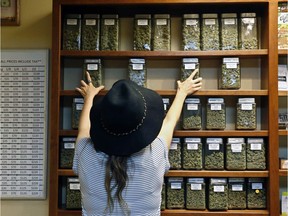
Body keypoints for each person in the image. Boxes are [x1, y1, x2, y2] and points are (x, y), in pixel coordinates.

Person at [73, 69, 202, 216]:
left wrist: (89, 97)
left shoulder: (84, 151)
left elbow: (84, 129)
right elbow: (169, 122)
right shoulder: (155, 152)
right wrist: (182, 93)